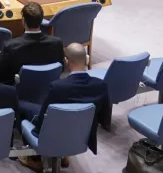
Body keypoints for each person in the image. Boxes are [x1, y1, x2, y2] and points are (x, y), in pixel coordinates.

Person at [20, 44, 109, 172]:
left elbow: (42, 121)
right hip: (82, 136)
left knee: (23, 105)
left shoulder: (57, 87)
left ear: (66, 61)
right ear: (87, 60)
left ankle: (35, 158)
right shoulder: (101, 86)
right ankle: (63, 154)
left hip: (52, 134)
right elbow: (104, 119)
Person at [0, 2, 64, 85]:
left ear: (23, 21)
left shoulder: (10, 46)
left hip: (19, 92)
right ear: (41, 20)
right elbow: (61, 69)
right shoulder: (57, 43)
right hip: (48, 89)